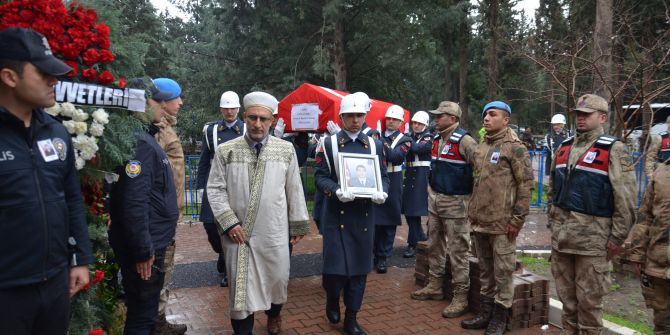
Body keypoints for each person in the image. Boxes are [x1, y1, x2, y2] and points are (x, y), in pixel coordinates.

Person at [0, 27, 92, 334]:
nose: (55, 81)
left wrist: (78, 258)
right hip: (7, 291)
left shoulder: (56, 131)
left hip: (55, 285)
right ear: (9, 77)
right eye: (43, 73)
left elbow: (71, 199)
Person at [206, 92, 310, 335]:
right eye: (252, 117)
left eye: (263, 119)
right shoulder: (226, 150)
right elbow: (215, 189)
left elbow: (294, 187)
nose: (257, 124)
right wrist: (229, 223)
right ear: (244, 117)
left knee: (278, 280)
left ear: (272, 120)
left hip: (274, 232)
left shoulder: (285, 150)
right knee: (241, 293)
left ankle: (274, 315)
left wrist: (298, 224)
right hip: (237, 236)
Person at [548, 94, 636, 335]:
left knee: (589, 307)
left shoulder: (614, 150)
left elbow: (626, 200)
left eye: (587, 114)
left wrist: (616, 238)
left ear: (603, 117)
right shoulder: (564, 147)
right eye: (578, 114)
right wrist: (552, 224)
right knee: (568, 304)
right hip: (562, 242)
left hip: (593, 244)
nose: (581, 118)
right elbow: (553, 189)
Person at [108, 80, 180, 335]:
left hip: (152, 241)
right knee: (142, 315)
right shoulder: (140, 143)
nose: (165, 107)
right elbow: (133, 201)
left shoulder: (143, 138)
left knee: (145, 312)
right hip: (147, 248)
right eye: (156, 101)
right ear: (141, 103)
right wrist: (142, 250)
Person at [315, 92, 389, 335]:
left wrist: (382, 192)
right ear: (341, 117)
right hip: (337, 215)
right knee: (334, 271)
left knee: (358, 271)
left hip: (363, 216)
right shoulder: (329, 143)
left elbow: (383, 177)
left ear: (365, 115)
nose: (355, 120)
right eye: (350, 116)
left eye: (359, 115)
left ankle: (351, 318)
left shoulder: (375, 145)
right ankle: (332, 297)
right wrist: (335, 190)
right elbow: (320, 177)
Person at [461, 101, 534, 334]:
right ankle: (485, 312)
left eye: (492, 114)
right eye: (485, 114)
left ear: (506, 120)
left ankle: (500, 318)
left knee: (503, 273)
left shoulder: (515, 148)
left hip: (503, 225)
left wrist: (517, 220)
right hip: (480, 223)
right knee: (485, 270)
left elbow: (526, 185)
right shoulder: (482, 146)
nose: (486, 118)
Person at [410, 101, 477, 319]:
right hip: (436, 202)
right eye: (436, 116)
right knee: (435, 245)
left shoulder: (465, 141)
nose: (436, 119)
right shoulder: (437, 140)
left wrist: (472, 203)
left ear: (453, 118)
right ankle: (435, 285)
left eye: (441, 116)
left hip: (457, 204)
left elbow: (480, 173)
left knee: (458, 251)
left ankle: (461, 296)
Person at [196, 90, 244, 288]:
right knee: (209, 225)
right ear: (221, 109)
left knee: (232, 225)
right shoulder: (211, 131)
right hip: (214, 184)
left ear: (238, 109)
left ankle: (227, 266)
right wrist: (200, 186)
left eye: (233, 108)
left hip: (238, 184)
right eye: (226, 108)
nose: (230, 111)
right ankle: (221, 253)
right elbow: (204, 161)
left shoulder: (246, 129)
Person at [151, 77, 187, 335]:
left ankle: (157, 318)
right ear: (163, 102)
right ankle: (154, 322)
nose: (181, 102)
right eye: (177, 97)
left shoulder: (165, 127)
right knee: (161, 267)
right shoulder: (157, 130)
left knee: (165, 265)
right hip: (160, 215)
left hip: (167, 212)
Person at [626, 159, 670, 334]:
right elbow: (646, 217)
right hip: (659, 266)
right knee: (662, 325)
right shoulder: (662, 172)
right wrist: (637, 253)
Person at [373, 104, 412, 274]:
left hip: (393, 181)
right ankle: (372, 254)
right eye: (388, 118)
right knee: (374, 220)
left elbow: (396, 157)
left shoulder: (405, 140)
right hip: (376, 179)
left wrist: (379, 142)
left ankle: (383, 257)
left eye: (394, 120)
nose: (390, 122)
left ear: (401, 122)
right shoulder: (376, 135)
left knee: (389, 221)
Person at [401, 111, 432, 258]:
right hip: (410, 174)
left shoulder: (429, 137)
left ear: (425, 124)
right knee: (409, 210)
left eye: (419, 123)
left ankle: (412, 244)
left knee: (415, 210)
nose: (416, 125)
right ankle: (419, 235)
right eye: (414, 123)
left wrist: (406, 139)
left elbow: (417, 149)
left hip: (422, 175)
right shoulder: (411, 137)